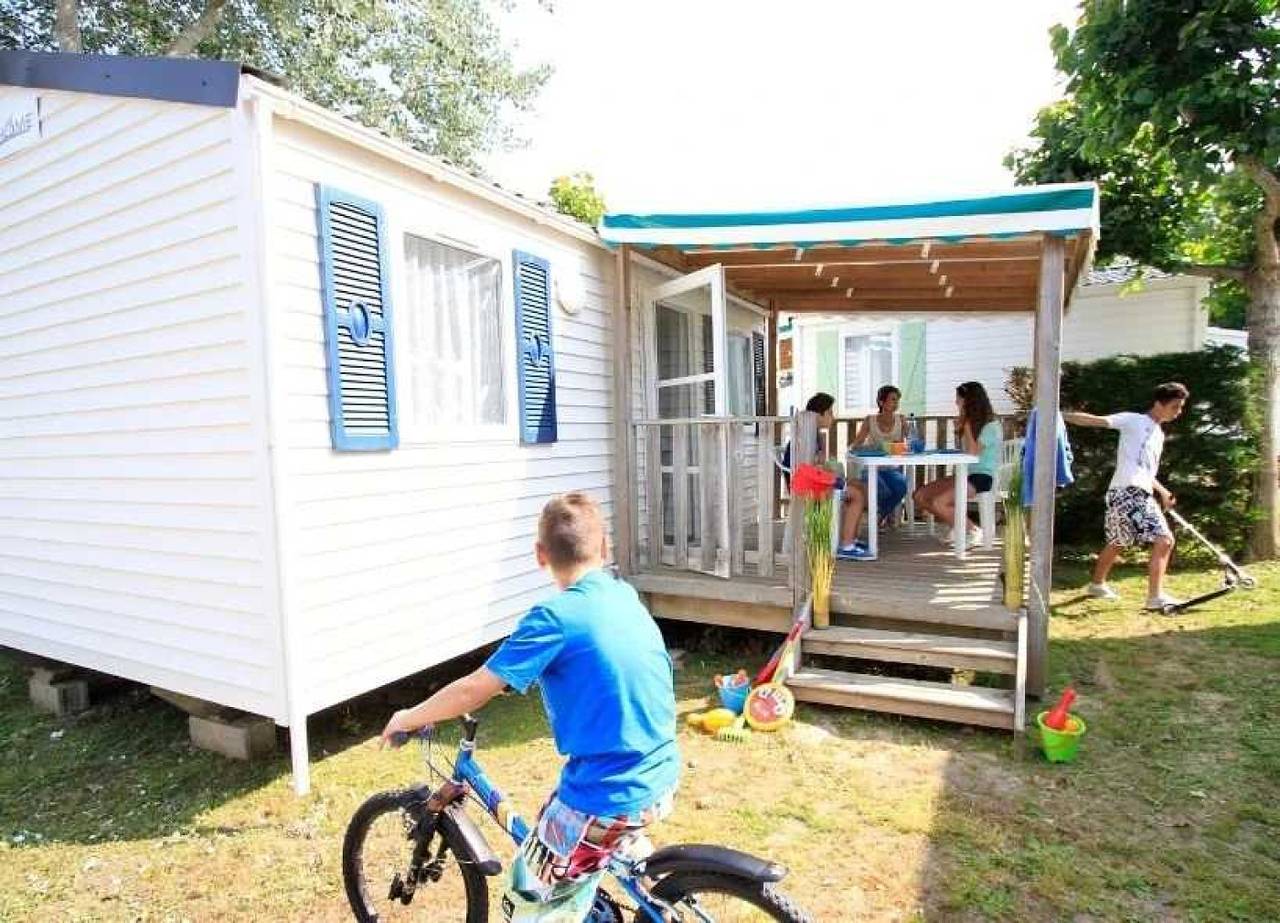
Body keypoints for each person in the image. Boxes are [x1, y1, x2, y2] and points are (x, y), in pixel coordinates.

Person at [380, 493, 679, 908]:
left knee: (522, 901)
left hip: (608, 794)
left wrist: (408, 717)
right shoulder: (622, 595)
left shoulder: (553, 619)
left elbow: (472, 690)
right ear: (605, 546)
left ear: (540, 555)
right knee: (571, 841)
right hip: (661, 773)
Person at [1063, 382, 1189, 611]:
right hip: (1129, 492)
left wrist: (1162, 492)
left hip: (1123, 492)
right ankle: (1155, 598)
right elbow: (1096, 420)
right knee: (1165, 540)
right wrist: (1058, 415)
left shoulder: (1159, 435)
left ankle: (1096, 585)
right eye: (1175, 406)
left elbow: (1146, 472)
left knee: (1118, 542)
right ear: (1159, 404)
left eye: (1180, 407)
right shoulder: (1134, 420)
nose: (1178, 412)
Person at [784, 392, 874, 561]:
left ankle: (849, 538)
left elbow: (817, 467)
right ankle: (847, 546)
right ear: (819, 415)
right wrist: (833, 477)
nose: (833, 417)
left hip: (813, 483)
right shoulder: (806, 437)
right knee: (856, 494)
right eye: (830, 412)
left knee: (858, 486)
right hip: (807, 489)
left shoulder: (812, 433)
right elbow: (809, 469)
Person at [912, 381, 1001, 546]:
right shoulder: (974, 424)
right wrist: (961, 429)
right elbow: (965, 452)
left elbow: (973, 453)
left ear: (969, 401)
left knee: (939, 502)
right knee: (920, 496)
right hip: (965, 474)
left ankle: (974, 531)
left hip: (982, 477)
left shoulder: (991, 426)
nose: (956, 403)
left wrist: (966, 425)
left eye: (959, 399)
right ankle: (958, 526)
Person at [851, 384, 910, 526]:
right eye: (893, 399)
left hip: (892, 469)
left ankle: (879, 515)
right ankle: (884, 514)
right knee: (881, 489)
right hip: (872, 469)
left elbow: (908, 446)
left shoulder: (901, 420)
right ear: (881, 402)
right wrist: (880, 447)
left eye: (897, 400)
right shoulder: (870, 420)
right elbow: (856, 446)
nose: (896, 403)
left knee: (902, 486)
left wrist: (900, 444)